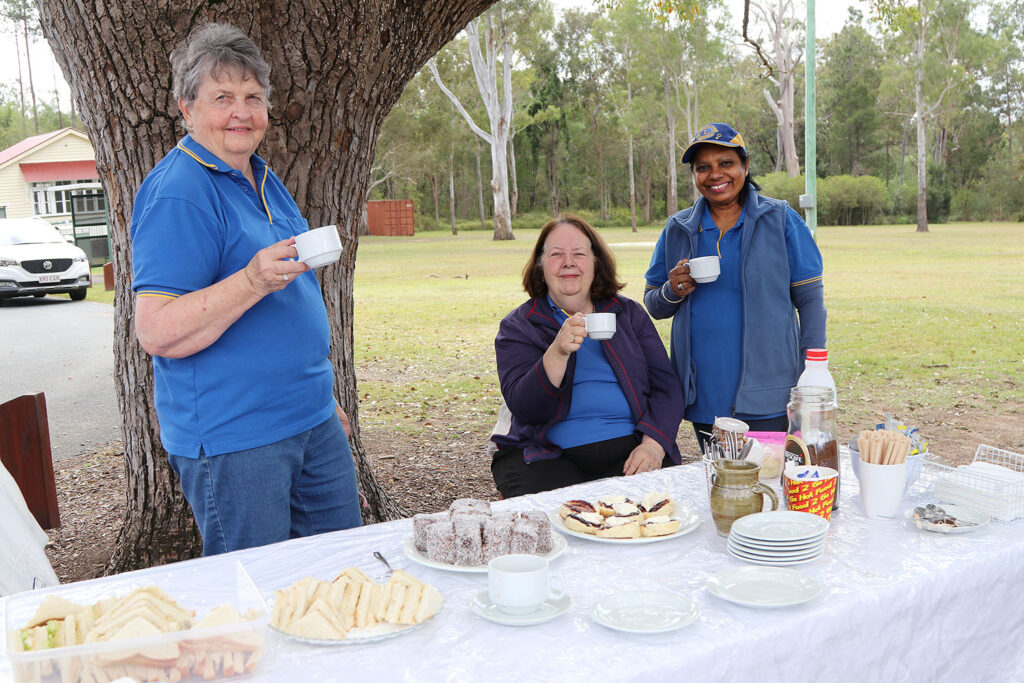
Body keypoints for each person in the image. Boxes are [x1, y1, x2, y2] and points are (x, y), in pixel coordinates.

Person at [129, 23, 361, 555]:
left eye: (253, 97)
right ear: (186, 108)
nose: (242, 112)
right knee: (254, 601)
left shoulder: (259, 173)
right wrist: (252, 281)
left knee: (342, 576)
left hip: (311, 420)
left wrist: (320, 399)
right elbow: (157, 331)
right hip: (238, 438)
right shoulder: (180, 193)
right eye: (223, 98)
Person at [644, 122, 826, 446]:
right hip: (704, 397)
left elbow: (810, 301)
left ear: (745, 165)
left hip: (770, 391)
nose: (715, 175)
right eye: (703, 168)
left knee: (769, 478)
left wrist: (812, 373)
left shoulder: (781, 219)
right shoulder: (678, 228)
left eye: (725, 163)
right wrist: (672, 290)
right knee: (720, 483)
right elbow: (654, 303)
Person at [491, 215, 685, 498]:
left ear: (596, 262)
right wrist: (557, 351)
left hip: (629, 447)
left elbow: (666, 388)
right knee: (555, 521)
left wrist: (653, 445)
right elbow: (526, 408)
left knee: (653, 515)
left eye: (579, 254)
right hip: (545, 454)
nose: (568, 262)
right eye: (556, 254)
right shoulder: (519, 325)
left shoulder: (627, 314)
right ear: (540, 266)